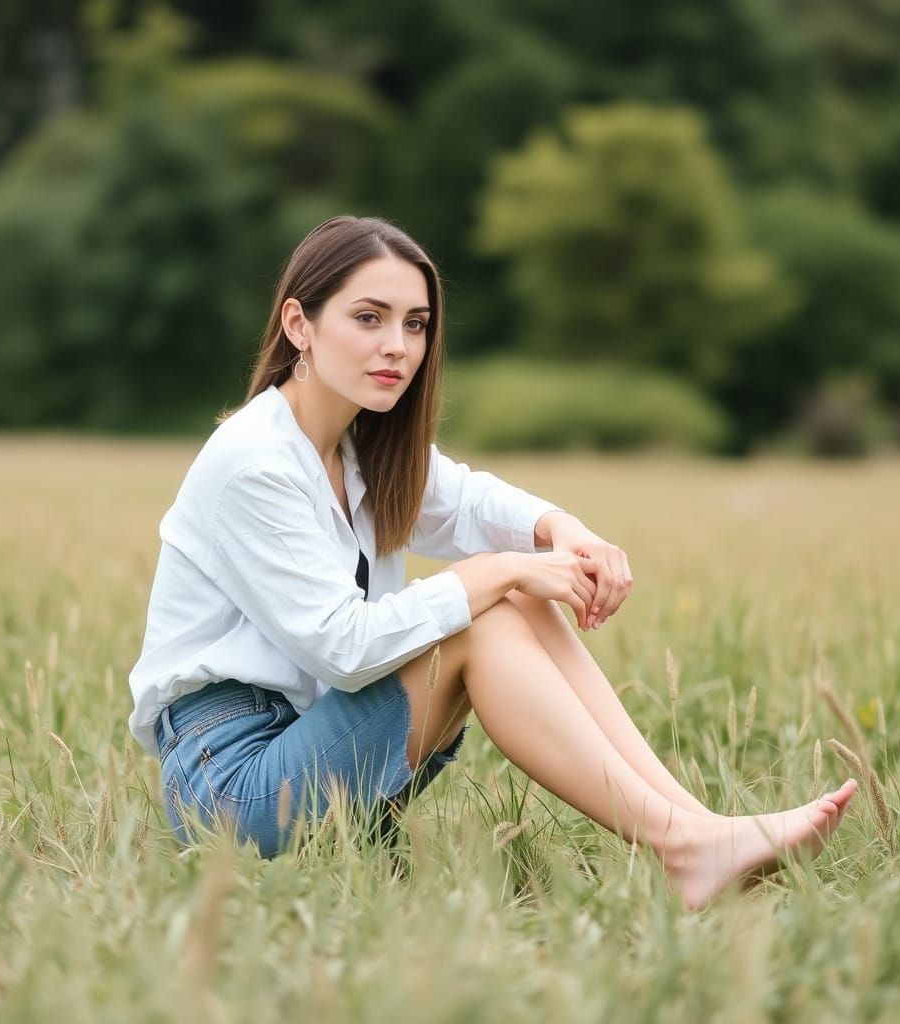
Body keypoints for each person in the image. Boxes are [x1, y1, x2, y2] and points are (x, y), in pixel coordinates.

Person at [128, 214, 856, 910]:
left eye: (415, 325)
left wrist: (561, 530)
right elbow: (342, 648)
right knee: (488, 613)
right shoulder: (255, 462)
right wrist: (499, 572)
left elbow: (470, 503)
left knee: (517, 601)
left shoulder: (355, 445)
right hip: (230, 786)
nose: (398, 347)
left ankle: (699, 829)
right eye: (369, 318)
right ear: (299, 326)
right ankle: (685, 844)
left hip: (307, 744)